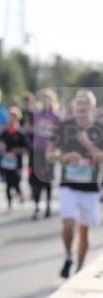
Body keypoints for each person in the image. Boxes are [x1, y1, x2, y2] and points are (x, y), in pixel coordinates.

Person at [48, 90, 103, 279]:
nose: (82, 107)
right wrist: (65, 157)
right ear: (73, 106)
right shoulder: (64, 127)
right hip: (68, 184)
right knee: (68, 222)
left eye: (86, 103)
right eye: (79, 103)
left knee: (84, 229)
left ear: (92, 107)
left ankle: (80, 267)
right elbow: (49, 154)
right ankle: (68, 256)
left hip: (90, 187)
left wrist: (87, 144)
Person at [30, 89, 61, 220]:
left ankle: (48, 205)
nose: (46, 101)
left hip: (50, 151)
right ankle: (37, 205)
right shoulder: (37, 115)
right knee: (36, 178)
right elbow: (33, 130)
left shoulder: (57, 116)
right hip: (38, 149)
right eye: (44, 99)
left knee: (48, 179)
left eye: (48, 99)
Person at [0, 107, 28, 211]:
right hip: (6, 161)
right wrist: (0, 146)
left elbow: (26, 148)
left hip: (17, 162)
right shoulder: (6, 132)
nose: (11, 120)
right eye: (10, 117)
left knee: (16, 181)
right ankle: (9, 203)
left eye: (14, 118)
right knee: (7, 183)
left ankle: (20, 193)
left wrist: (17, 150)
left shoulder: (20, 133)